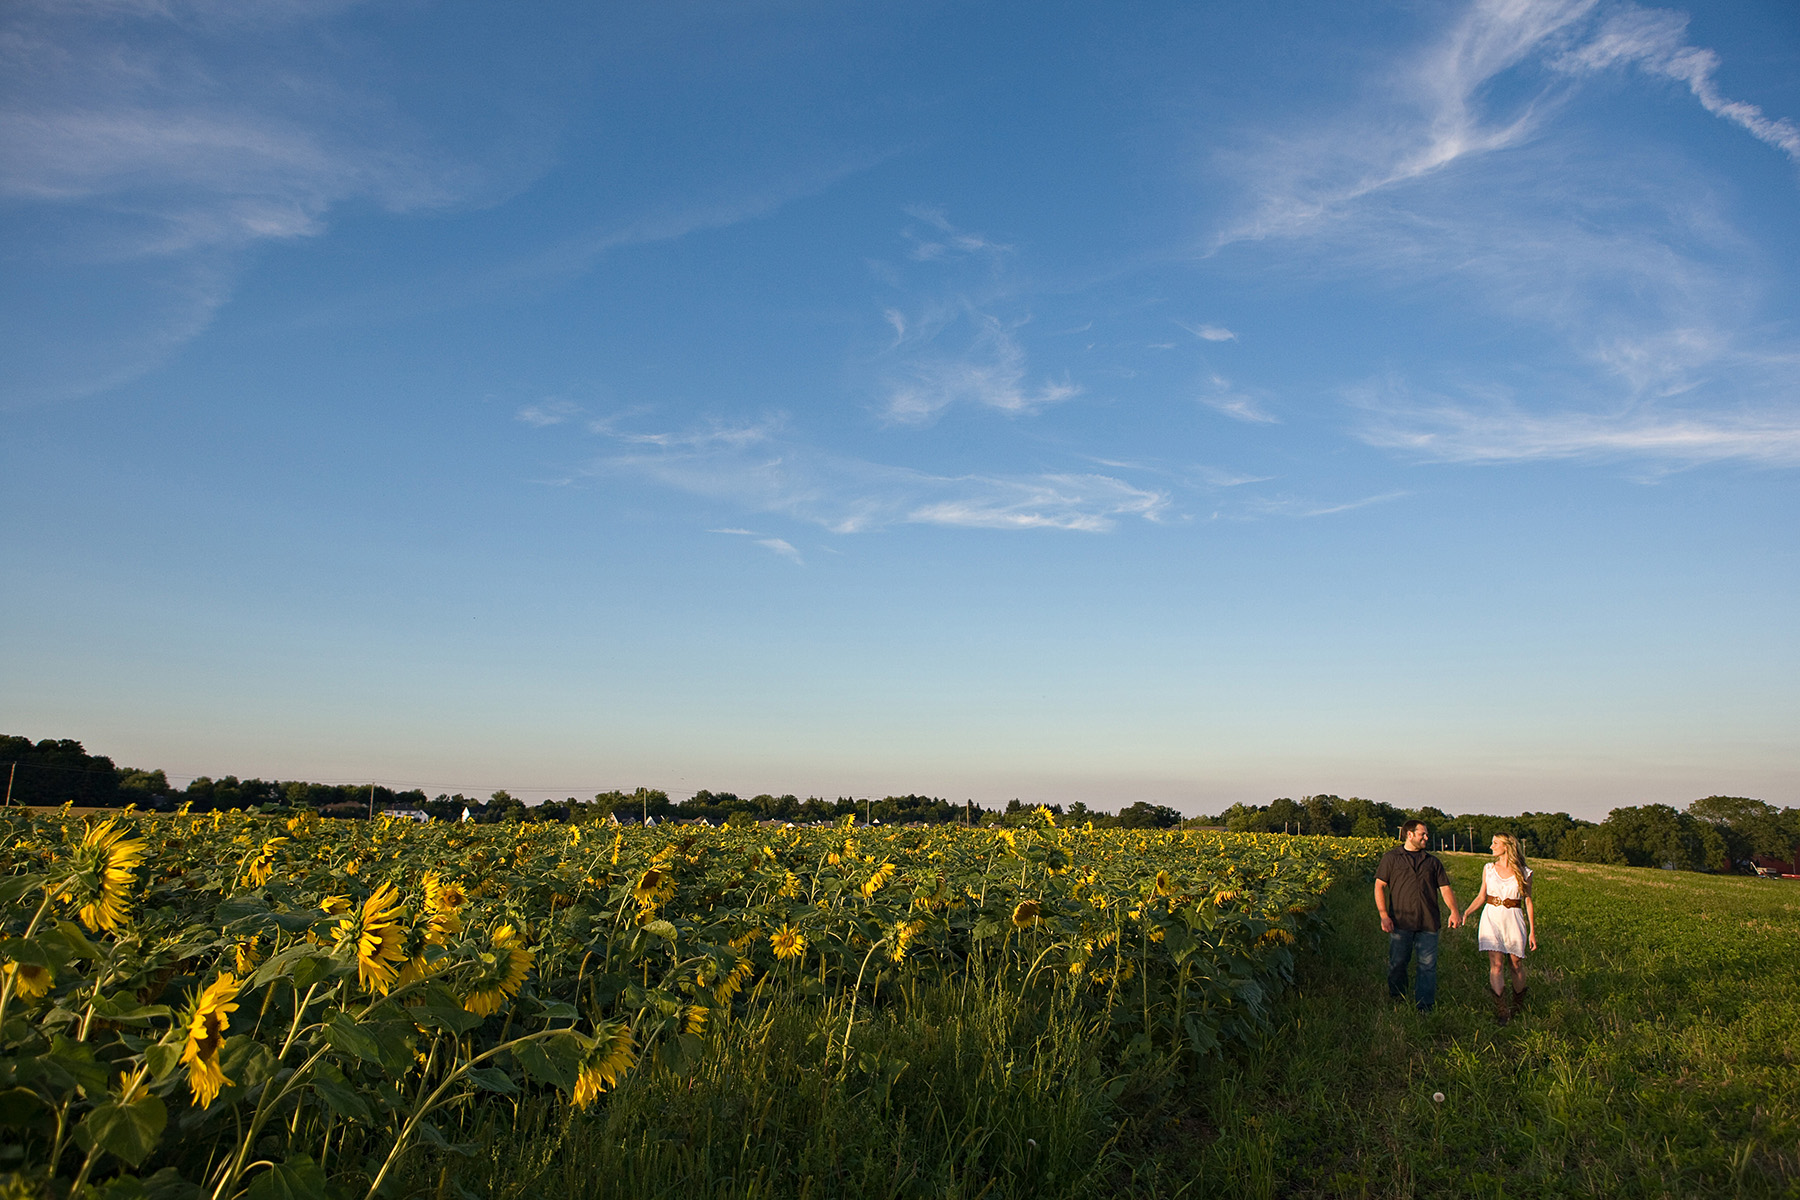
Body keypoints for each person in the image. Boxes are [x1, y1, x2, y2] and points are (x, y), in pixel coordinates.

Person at [1374, 820, 1461, 1011]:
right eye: (1423, 834)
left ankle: (1425, 1006)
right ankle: (1397, 997)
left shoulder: (1432, 862)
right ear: (1410, 835)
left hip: (1428, 922)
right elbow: (1380, 886)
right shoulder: (1391, 858)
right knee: (1398, 963)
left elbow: (1445, 889)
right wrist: (1383, 915)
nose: (1426, 838)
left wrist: (1454, 911)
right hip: (1400, 922)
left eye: (1426, 834)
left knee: (1427, 966)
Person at [1462, 833, 1537, 1024]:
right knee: (1496, 965)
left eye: (1495, 843)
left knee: (1516, 964)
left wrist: (1533, 931)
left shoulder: (1524, 872)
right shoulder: (1488, 869)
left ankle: (1518, 1006)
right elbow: (1481, 896)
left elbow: (1528, 901)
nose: (1491, 846)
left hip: (1513, 917)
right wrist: (1467, 912)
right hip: (1491, 917)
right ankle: (1502, 1010)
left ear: (1507, 846)